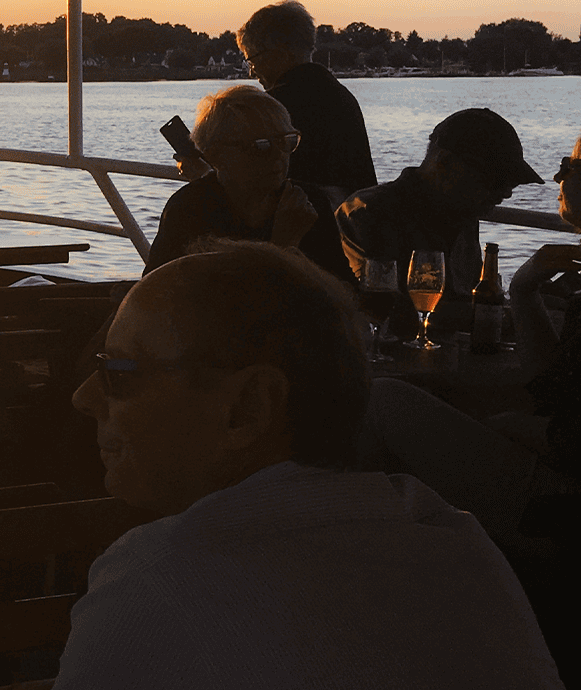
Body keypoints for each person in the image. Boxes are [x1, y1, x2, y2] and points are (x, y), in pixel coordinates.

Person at [58, 240, 561, 690]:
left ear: (247, 408)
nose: (83, 398)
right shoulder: (456, 543)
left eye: (118, 373)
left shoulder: (158, 580)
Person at [359, 132, 581, 555]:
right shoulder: (378, 212)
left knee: (378, 401)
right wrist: (524, 290)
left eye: (572, 167)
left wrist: (512, 425)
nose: (559, 176)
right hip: (550, 466)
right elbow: (547, 385)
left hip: (558, 498)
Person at [336, 107, 543, 334]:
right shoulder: (367, 214)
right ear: (444, 162)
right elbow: (387, 314)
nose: (506, 193)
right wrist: (512, 313)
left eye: (511, 183)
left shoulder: (464, 212)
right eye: (494, 180)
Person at [146, 85, 352, 283]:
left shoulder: (308, 202)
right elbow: (156, 293)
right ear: (216, 155)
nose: (279, 155)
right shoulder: (190, 210)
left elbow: (344, 287)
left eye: (287, 141)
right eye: (261, 146)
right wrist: (283, 245)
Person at [237, 0, 376, 205]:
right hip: (351, 217)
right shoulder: (341, 96)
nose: (251, 72)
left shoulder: (272, 108)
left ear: (278, 53)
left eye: (252, 60)